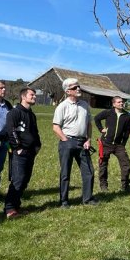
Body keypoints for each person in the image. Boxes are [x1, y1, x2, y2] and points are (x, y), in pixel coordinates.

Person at [52, 78, 97, 208]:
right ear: (67, 91)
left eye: (78, 87)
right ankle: (64, 201)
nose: (78, 89)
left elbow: (89, 124)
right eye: (74, 88)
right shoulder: (62, 106)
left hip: (83, 142)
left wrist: (88, 139)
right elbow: (56, 126)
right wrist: (65, 140)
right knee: (65, 173)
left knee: (89, 172)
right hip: (67, 141)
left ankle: (87, 199)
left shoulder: (85, 105)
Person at [4, 87, 41, 218]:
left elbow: (35, 132)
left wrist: (37, 145)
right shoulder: (14, 113)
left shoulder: (31, 114)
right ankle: (9, 209)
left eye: (35, 95)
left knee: (25, 180)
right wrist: (18, 147)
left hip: (31, 152)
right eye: (32, 95)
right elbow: (11, 131)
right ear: (23, 97)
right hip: (19, 153)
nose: (34, 97)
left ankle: (16, 206)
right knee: (18, 180)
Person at [94, 96, 130, 191]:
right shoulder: (108, 112)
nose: (121, 103)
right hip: (106, 143)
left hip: (119, 145)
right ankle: (103, 186)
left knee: (126, 164)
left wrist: (123, 143)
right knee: (103, 164)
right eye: (119, 102)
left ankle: (125, 185)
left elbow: (127, 131)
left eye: (122, 102)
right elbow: (96, 118)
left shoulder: (127, 115)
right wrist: (101, 129)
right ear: (114, 104)